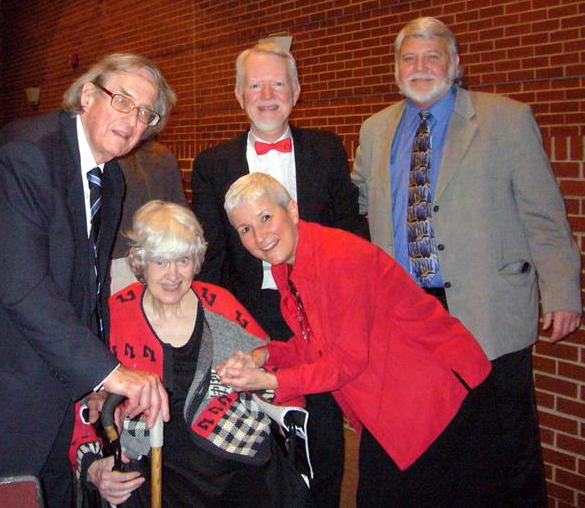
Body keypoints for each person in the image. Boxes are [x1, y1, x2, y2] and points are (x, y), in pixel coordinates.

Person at [351, 16, 582, 506]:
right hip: (404, 316)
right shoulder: (374, 131)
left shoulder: (507, 119)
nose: (421, 67)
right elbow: (357, 207)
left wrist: (562, 290)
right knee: (415, 447)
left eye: (433, 56)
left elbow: (543, 213)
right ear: (395, 68)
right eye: (409, 58)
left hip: (487, 311)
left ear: (455, 64)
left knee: (498, 454)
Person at [0, 53, 175, 507]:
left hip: (49, 389)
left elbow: (87, 291)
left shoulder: (110, 179)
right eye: (124, 101)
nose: (134, 121)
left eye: (147, 113)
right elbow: (23, 288)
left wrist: (94, 382)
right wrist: (111, 373)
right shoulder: (25, 156)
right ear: (87, 96)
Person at [219, 172, 503, 507]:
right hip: (396, 401)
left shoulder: (338, 258)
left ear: (292, 211)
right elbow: (316, 343)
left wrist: (272, 380)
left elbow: (346, 361)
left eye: (266, 217)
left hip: (439, 396)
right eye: (246, 229)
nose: (260, 236)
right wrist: (263, 356)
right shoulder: (289, 265)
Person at [191, 41, 367, 508]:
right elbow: (210, 255)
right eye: (255, 85)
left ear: (296, 91)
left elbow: (350, 232)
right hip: (247, 312)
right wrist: (219, 327)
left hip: (318, 309)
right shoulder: (213, 163)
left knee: (324, 431)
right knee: (254, 433)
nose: (266, 94)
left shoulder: (327, 151)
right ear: (238, 94)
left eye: (277, 84)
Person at [70, 201, 314, 508]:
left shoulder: (219, 304)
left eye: (183, 260)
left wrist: (261, 378)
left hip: (231, 451)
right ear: (141, 263)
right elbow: (77, 401)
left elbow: (273, 364)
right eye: (160, 262)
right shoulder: (114, 315)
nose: (173, 275)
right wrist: (92, 466)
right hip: (152, 459)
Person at [110, 140, 186, 294]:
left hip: (148, 258)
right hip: (148, 258)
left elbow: (180, 215)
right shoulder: (162, 155)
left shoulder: (161, 157)